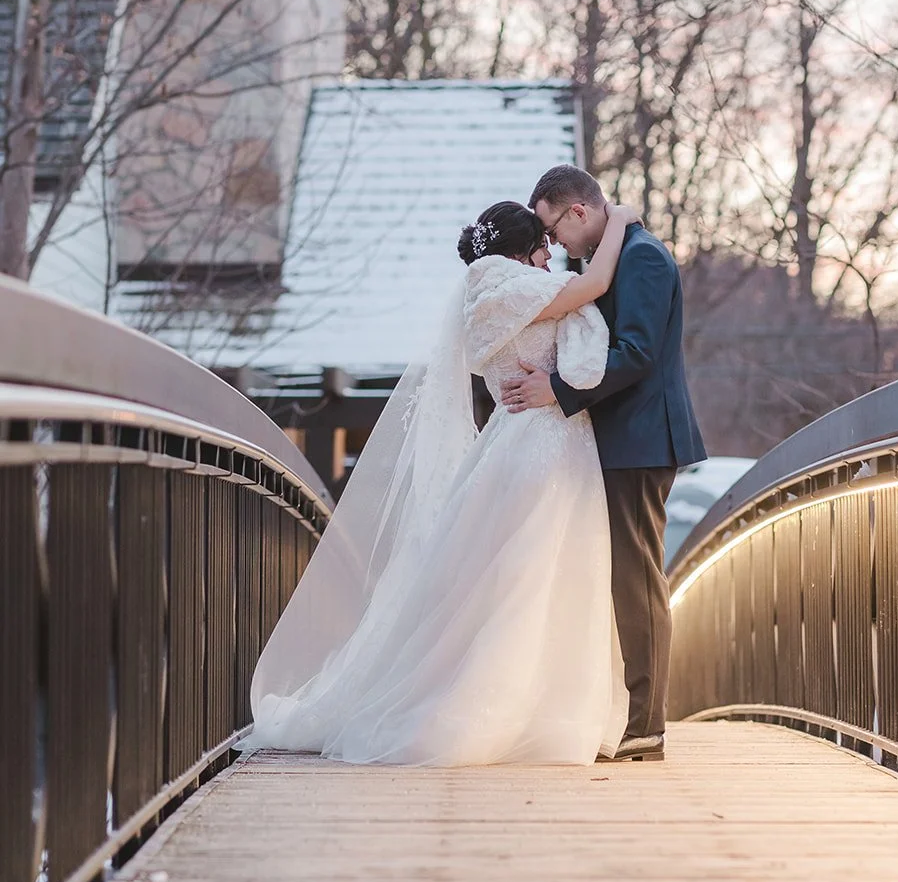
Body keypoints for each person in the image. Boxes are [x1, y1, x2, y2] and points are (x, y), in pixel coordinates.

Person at [241, 198, 640, 766]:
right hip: (543, 445)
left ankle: (523, 704)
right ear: (522, 248)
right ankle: (519, 710)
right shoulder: (511, 289)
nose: (551, 256)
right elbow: (596, 282)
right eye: (545, 245)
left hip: (513, 441)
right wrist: (620, 221)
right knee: (536, 573)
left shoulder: (484, 298)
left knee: (512, 575)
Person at [502, 166, 706, 762]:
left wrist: (558, 391)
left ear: (578, 213)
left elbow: (636, 352)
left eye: (553, 229)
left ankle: (646, 725)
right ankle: (624, 716)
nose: (554, 246)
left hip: (640, 440)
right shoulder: (617, 253)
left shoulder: (642, 258)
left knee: (636, 579)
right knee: (618, 576)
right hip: (617, 440)